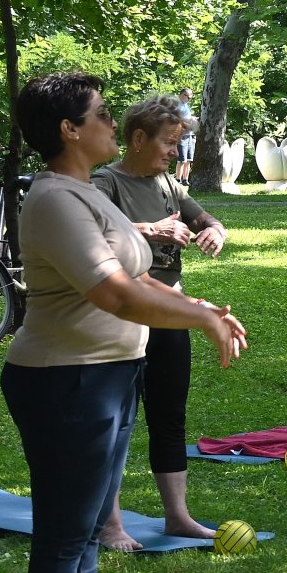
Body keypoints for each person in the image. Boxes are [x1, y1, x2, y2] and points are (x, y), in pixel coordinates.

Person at [2, 73, 246, 573]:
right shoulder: (55, 200)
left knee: (85, 526)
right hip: (65, 379)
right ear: (69, 130)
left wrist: (199, 305)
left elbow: (143, 274)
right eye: (102, 115)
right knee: (63, 530)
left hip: (107, 373)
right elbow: (110, 291)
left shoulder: (90, 193)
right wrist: (196, 319)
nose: (114, 124)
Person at [91, 95, 230, 549]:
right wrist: (151, 229)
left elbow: (204, 215)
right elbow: (92, 233)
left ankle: (178, 516)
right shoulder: (104, 183)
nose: (174, 152)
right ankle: (111, 525)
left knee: (169, 415)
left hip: (170, 312)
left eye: (177, 144)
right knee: (115, 421)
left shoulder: (169, 185)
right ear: (137, 139)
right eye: (169, 143)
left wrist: (213, 229)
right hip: (124, 314)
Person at [173, 87, 196, 184]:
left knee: (189, 160)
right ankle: (178, 179)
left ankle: (185, 180)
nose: (189, 99)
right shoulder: (177, 106)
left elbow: (187, 118)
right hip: (182, 136)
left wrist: (194, 120)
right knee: (181, 160)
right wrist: (189, 125)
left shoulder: (186, 106)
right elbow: (177, 120)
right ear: (182, 95)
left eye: (190, 97)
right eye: (188, 96)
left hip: (190, 135)